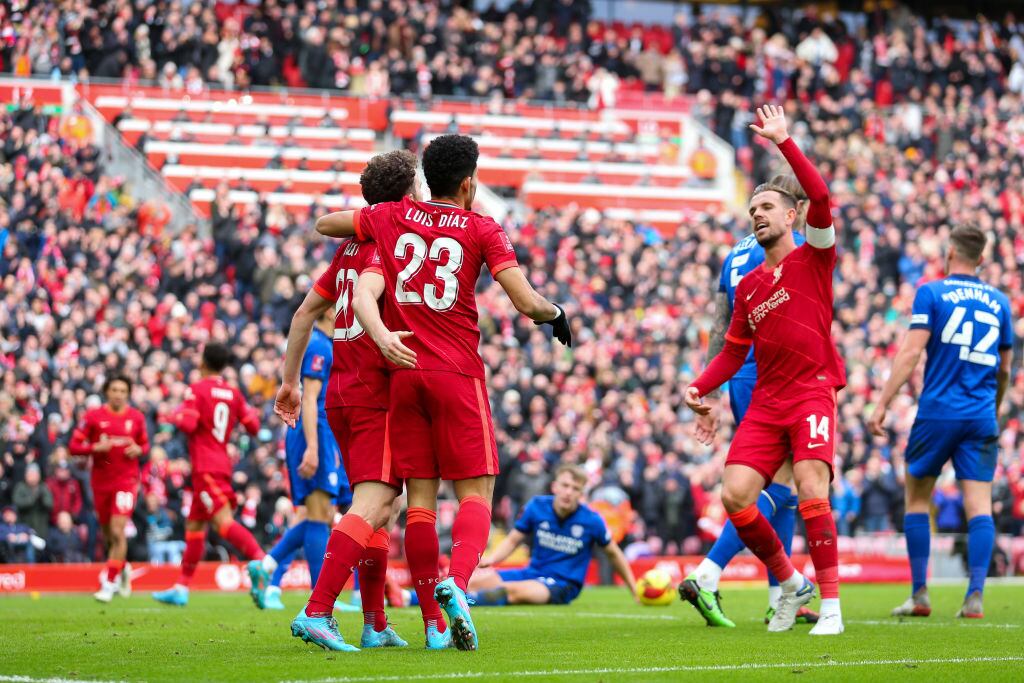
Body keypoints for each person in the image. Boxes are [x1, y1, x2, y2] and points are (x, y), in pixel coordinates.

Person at [315, 134, 571, 651]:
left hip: (404, 376)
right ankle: (457, 582)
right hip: (456, 373)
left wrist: (379, 214)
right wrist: (557, 314)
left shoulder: (391, 218)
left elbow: (329, 224)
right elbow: (524, 300)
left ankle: (433, 626)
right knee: (477, 493)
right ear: (470, 182)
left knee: (421, 505)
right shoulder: (482, 226)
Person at [685, 105, 845, 636]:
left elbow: (821, 196)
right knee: (734, 495)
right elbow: (732, 352)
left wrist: (784, 142)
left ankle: (831, 609)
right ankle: (790, 581)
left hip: (811, 392)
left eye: (767, 206)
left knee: (809, 485)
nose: (757, 214)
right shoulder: (750, 283)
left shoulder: (814, 257)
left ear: (792, 215)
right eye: (752, 208)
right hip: (767, 399)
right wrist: (699, 385)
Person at [277, 150, 422, 652]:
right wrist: (383, 338)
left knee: (385, 504)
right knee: (376, 501)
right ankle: (318, 610)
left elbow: (302, 316)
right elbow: (365, 296)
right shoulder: (386, 244)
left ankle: (376, 622)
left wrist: (290, 383)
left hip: (340, 392)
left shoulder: (347, 250)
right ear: (407, 198)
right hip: (371, 393)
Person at [681, 174, 818, 628]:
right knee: (776, 487)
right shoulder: (794, 246)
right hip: (779, 375)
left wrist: (711, 391)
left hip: (740, 375)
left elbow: (721, 326)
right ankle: (710, 573)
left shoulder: (735, 254)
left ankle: (781, 592)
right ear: (791, 207)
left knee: (783, 487)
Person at [868, 224, 1014, 620]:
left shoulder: (932, 292)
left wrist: (882, 403)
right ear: (982, 259)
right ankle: (975, 596)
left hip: (937, 412)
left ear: (950, 253)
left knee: (917, 497)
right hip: (980, 415)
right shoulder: (1000, 301)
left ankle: (920, 594)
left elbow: (912, 353)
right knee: (979, 505)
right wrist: (994, 407)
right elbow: (1004, 370)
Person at [152, 343, 266, 607]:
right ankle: (181, 587)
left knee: (223, 522)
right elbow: (254, 426)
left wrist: (174, 415)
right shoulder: (234, 393)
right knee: (194, 528)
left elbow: (190, 423)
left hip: (205, 466)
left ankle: (260, 561)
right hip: (221, 463)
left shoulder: (197, 389)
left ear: (202, 362)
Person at [256, 304, 350, 612]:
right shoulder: (318, 344)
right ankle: (318, 601)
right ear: (325, 311)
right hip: (314, 431)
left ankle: (268, 565)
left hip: (320, 432)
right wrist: (313, 446)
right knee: (318, 515)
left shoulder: (326, 343)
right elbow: (308, 399)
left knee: (320, 515)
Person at [466, 464, 637, 606]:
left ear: (581, 494)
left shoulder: (592, 520)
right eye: (565, 486)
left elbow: (614, 554)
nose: (569, 492)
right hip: (531, 572)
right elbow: (512, 540)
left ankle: (465, 603)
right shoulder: (537, 506)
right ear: (555, 486)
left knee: (514, 590)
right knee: (472, 582)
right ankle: (451, 597)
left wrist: (634, 589)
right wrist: (492, 559)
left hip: (562, 584)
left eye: (575, 488)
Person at [69, 374, 148, 603]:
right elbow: (73, 446)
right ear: (107, 392)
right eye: (114, 389)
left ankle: (109, 583)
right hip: (101, 483)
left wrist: (139, 450)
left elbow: (145, 444)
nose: (118, 394)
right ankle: (122, 568)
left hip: (127, 481)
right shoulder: (93, 417)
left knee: (117, 530)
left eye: (123, 390)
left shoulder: (137, 418)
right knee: (107, 536)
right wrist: (95, 447)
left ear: (128, 393)